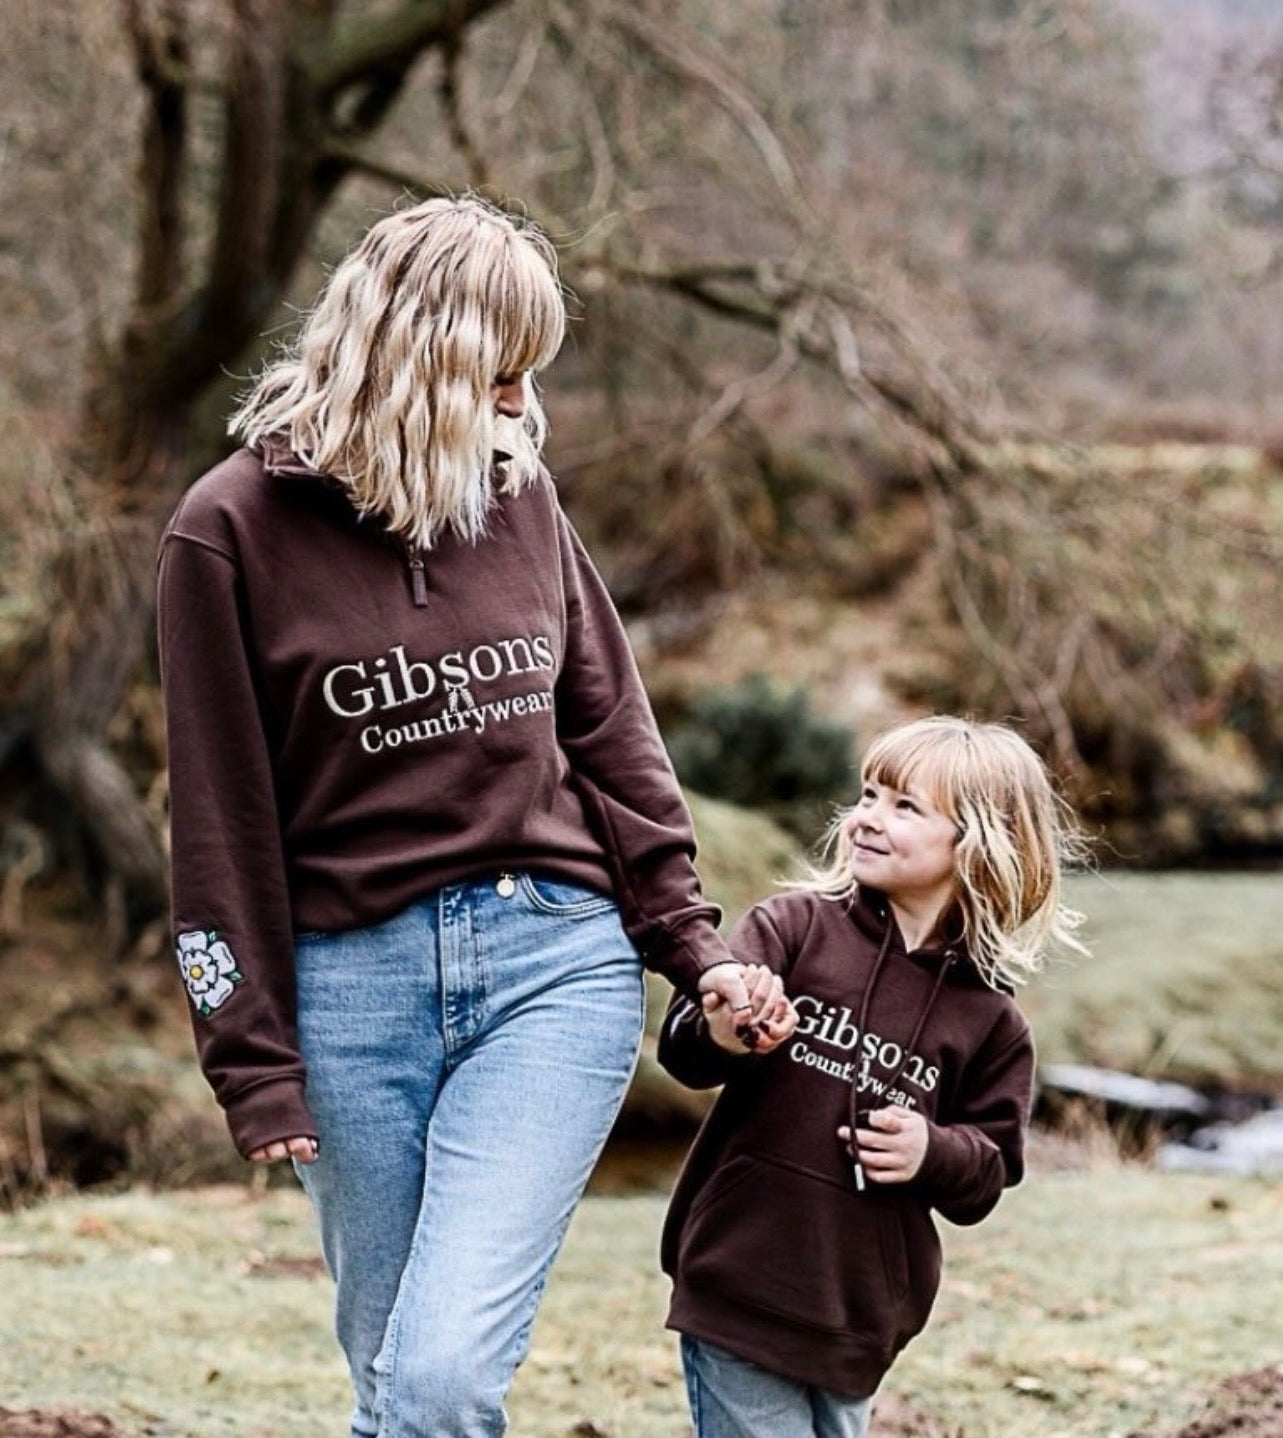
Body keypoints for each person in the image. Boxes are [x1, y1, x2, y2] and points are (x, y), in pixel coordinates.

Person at [154, 195, 780, 1438]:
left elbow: (610, 739)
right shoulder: (223, 535)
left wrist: (693, 951)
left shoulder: (522, 501)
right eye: (502, 370)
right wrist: (254, 1062)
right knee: (393, 1379)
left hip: (552, 965)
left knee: (438, 1379)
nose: (519, 403)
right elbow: (218, 827)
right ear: (423, 357)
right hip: (348, 992)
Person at [658, 715, 1085, 1438]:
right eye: (867, 795)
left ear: (977, 846)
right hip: (740, 1281)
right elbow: (685, 1048)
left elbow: (989, 1172)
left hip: (858, 1318)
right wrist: (727, 1031)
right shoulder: (792, 928)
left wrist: (931, 1151)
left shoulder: (991, 1022)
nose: (866, 818)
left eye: (904, 806)